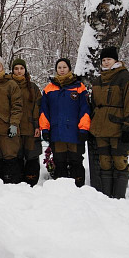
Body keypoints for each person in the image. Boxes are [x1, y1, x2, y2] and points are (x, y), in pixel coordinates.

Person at [90, 46, 129, 199]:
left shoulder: (125, 78)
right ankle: (107, 197)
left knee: (119, 161)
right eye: (103, 60)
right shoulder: (97, 81)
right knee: (104, 161)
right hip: (100, 128)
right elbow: (93, 105)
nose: (106, 62)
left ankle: (119, 197)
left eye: (109, 59)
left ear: (115, 60)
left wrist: (128, 127)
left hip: (118, 126)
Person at [39, 58, 91, 187]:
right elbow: (44, 111)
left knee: (76, 161)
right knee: (59, 161)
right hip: (57, 133)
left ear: (69, 69)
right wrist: (45, 129)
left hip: (75, 133)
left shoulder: (79, 87)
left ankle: (79, 188)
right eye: (59, 67)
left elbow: (85, 110)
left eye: (64, 67)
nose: (62, 70)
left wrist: (84, 129)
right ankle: (61, 189)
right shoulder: (49, 89)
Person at [0, 56, 23, 184]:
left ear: (3, 67)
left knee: (10, 158)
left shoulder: (10, 84)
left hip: (7, 129)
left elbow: (17, 106)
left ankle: (12, 185)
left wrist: (14, 124)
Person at [11, 58, 42, 186]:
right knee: (16, 155)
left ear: (25, 70)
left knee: (32, 155)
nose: (19, 71)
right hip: (15, 129)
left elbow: (38, 107)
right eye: (16, 69)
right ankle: (18, 182)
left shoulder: (33, 87)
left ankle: (32, 182)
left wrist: (37, 125)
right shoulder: (9, 85)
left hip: (30, 128)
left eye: (21, 68)